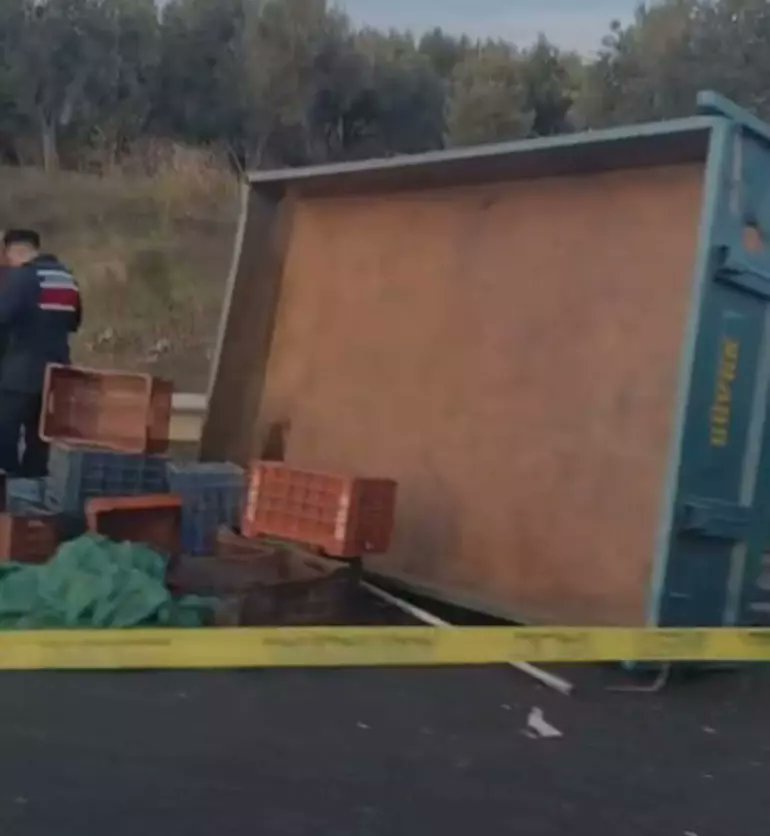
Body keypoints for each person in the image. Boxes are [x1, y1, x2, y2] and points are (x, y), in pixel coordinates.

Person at [0, 229, 82, 476]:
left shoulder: (24, 277)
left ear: (15, 251)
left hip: (20, 375)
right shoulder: (67, 278)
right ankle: (30, 489)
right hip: (57, 374)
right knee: (40, 438)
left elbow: (3, 316)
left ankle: (8, 491)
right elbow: (74, 322)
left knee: (4, 433)